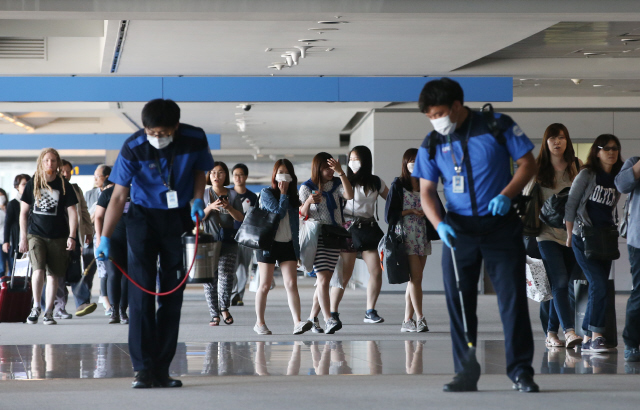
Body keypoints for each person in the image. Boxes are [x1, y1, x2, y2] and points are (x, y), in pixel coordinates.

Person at [415, 78, 539, 392]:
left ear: (457, 106)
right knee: (459, 302)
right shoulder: (432, 143)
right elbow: (426, 192)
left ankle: (521, 371)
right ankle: (465, 371)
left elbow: (528, 164)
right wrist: (439, 224)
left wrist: (507, 195)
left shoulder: (497, 126)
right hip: (459, 231)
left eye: (439, 113)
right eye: (430, 116)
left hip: (500, 225)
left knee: (511, 300)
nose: (435, 121)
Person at [95, 98, 214, 388]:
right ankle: (142, 369)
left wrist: (199, 197)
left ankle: (162, 369)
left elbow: (200, 170)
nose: (155, 138)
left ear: (175, 127)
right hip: (142, 220)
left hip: (177, 220)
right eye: (151, 132)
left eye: (161, 133)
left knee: (172, 296)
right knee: (141, 294)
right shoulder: (133, 146)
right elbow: (119, 196)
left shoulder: (195, 137)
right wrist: (105, 237)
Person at [565, 134, 623, 353]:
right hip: (583, 236)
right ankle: (597, 334)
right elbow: (571, 205)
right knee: (598, 283)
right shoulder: (587, 174)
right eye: (606, 148)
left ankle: (588, 337)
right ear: (597, 152)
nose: (611, 152)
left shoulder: (618, 176)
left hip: (606, 238)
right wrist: (570, 235)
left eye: (615, 148)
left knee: (599, 286)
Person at [527, 124, 583, 348]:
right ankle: (569, 332)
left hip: (572, 234)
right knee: (558, 282)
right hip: (546, 234)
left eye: (561, 138)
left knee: (563, 285)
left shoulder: (576, 166)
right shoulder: (538, 168)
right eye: (552, 138)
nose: (557, 142)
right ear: (546, 142)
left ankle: (551, 333)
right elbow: (525, 197)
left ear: (567, 141)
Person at [328, 145, 389, 324]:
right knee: (345, 275)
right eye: (351, 159)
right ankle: (333, 313)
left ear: (365, 160)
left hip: (369, 228)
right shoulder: (343, 180)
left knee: (376, 271)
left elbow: (392, 199)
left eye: (357, 159)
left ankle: (370, 311)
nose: (353, 163)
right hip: (349, 229)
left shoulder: (376, 182)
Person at [20, 148, 79, 326]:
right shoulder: (33, 183)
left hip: (58, 236)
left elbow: (72, 212)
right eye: (46, 160)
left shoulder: (63, 185)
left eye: (53, 161)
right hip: (36, 234)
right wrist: (23, 237)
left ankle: (48, 312)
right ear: (41, 162)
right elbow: (24, 213)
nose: (49, 164)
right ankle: (36, 306)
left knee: (54, 275)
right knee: (38, 270)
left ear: (58, 163)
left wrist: (72, 236)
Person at [253, 159, 312, 335]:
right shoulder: (266, 193)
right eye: (280, 172)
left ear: (292, 176)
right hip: (268, 244)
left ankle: (297, 322)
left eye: (287, 172)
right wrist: (283, 194)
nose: (283, 176)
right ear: (274, 174)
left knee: (292, 283)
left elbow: (296, 226)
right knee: (264, 285)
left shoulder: (294, 198)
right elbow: (278, 213)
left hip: (287, 244)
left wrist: (296, 250)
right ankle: (259, 322)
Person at [300, 152, 353, 334]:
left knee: (326, 279)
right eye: (326, 168)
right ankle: (329, 318)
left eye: (332, 167)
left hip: (335, 235)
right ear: (317, 168)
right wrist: (308, 201)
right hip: (318, 236)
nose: (330, 171)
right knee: (323, 278)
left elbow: (350, 195)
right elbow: (301, 213)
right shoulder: (307, 187)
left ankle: (312, 318)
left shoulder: (336, 184)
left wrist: (341, 173)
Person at [386, 149, 432, 333]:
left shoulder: (425, 183)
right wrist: (411, 211)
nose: (414, 164)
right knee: (416, 278)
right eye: (410, 161)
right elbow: (389, 215)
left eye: (417, 160)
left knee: (415, 279)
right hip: (406, 234)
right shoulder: (398, 184)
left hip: (423, 234)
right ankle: (420, 318)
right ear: (405, 163)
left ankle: (407, 320)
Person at [49, 159, 96, 319]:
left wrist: (88, 232)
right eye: (63, 171)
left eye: (69, 171)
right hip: (56, 237)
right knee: (59, 273)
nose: (66, 174)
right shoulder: (50, 188)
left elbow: (83, 210)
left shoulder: (75, 189)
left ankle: (82, 303)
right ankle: (59, 307)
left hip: (73, 236)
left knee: (76, 270)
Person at [202, 161, 244, 326]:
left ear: (225, 175)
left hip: (228, 241)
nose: (216, 176)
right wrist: (210, 207)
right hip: (208, 243)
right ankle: (214, 314)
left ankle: (224, 308)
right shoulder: (204, 195)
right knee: (209, 279)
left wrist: (229, 207)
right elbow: (195, 217)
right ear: (209, 176)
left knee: (226, 277)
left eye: (220, 172)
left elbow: (240, 218)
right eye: (213, 172)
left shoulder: (233, 195)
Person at [614, 152, 640, 363]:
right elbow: (622, 185)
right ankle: (631, 344)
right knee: (639, 292)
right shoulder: (634, 163)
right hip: (639, 240)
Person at [94, 179, 130, 324]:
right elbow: (98, 216)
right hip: (111, 239)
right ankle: (114, 310)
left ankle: (123, 310)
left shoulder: (135, 192)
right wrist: (100, 239)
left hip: (132, 240)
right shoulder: (108, 193)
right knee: (114, 273)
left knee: (128, 275)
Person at [84, 164, 113, 313]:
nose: (95, 179)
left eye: (98, 176)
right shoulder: (91, 194)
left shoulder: (116, 192)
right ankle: (106, 302)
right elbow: (89, 218)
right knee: (103, 270)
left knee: (115, 270)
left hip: (115, 235)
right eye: (94, 176)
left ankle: (115, 301)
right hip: (98, 238)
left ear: (107, 177)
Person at [231, 163, 258, 306]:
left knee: (243, 267)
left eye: (241, 175)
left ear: (246, 177)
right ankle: (231, 292)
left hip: (247, 237)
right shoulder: (227, 194)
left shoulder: (252, 197)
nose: (238, 178)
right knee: (231, 267)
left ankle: (238, 296)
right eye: (235, 175)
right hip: (230, 235)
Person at [3, 174, 31, 271]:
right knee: (17, 268)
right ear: (17, 186)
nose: (26, 187)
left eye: (28, 184)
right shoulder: (13, 204)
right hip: (17, 239)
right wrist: (6, 241)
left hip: (31, 237)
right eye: (23, 184)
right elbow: (7, 223)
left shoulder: (33, 202)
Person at [0, 188, 8, 276]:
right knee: (1, 267)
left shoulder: (9, 207)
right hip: (0, 242)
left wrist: (4, 208)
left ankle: (9, 288)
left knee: (12, 265)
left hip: (8, 241)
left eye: (2, 196)